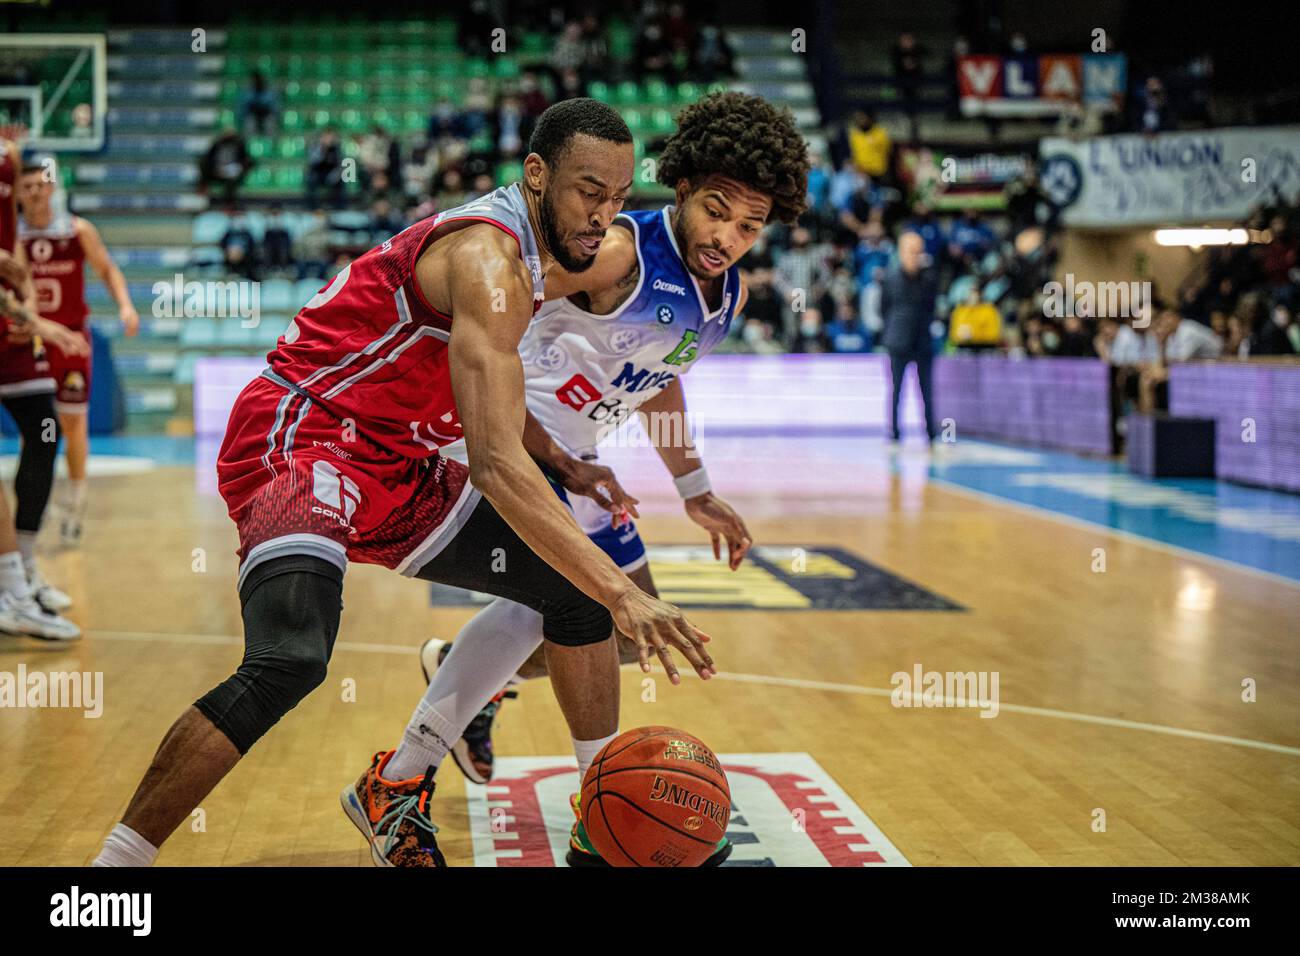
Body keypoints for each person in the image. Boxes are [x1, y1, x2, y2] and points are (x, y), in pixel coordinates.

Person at [91, 99, 713, 870]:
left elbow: (497, 404)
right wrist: (628, 592)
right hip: (305, 433)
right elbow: (490, 464)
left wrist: (565, 462)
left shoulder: (525, 264)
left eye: (619, 199)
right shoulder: (491, 263)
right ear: (536, 175)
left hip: (395, 460)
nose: (603, 216)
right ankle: (111, 873)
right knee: (291, 657)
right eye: (589, 191)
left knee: (573, 597)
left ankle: (594, 820)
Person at [417, 91, 809, 866]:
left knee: (627, 639)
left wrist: (695, 488)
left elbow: (661, 375)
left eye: (748, 226)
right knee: (583, 608)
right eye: (716, 212)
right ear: (684, 189)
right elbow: (495, 302)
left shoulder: (722, 288)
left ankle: (470, 676)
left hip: (579, 457)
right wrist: (503, 419)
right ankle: (596, 813)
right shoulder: (622, 252)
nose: (727, 236)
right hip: (520, 443)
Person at [16, 164, 139, 549]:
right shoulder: (13, 237)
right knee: (34, 424)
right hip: (30, 341)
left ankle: (74, 500)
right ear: (17, 193)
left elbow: (107, 269)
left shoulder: (76, 231)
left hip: (69, 341)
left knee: (72, 425)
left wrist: (125, 306)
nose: (35, 192)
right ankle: (37, 498)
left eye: (41, 184)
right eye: (28, 186)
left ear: (52, 187)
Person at [0, 138, 86, 639]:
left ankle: (24, 572)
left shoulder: (8, 158)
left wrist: (25, 302)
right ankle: (12, 583)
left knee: (45, 432)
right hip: (22, 322)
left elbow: (15, 262)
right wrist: (36, 319)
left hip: (13, 331)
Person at [879, 231, 940, 442]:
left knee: (927, 390)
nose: (915, 255)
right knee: (896, 389)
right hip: (898, 341)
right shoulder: (890, 278)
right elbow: (884, 308)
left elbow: (932, 307)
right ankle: (894, 433)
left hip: (922, 341)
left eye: (919, 251)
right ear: (901, 252)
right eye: (911, 251)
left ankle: (931, 434)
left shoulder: (930, 278)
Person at [198, 128, 252, 205]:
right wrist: (216, 169)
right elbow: (208, 159)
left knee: (232, 182)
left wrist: (239, 168)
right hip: (217, 171)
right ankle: (202, 187)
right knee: (203, 165)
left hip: (233, 173)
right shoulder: (217, 145)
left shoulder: (240, 146)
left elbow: (247, 161)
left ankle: (229, 205)